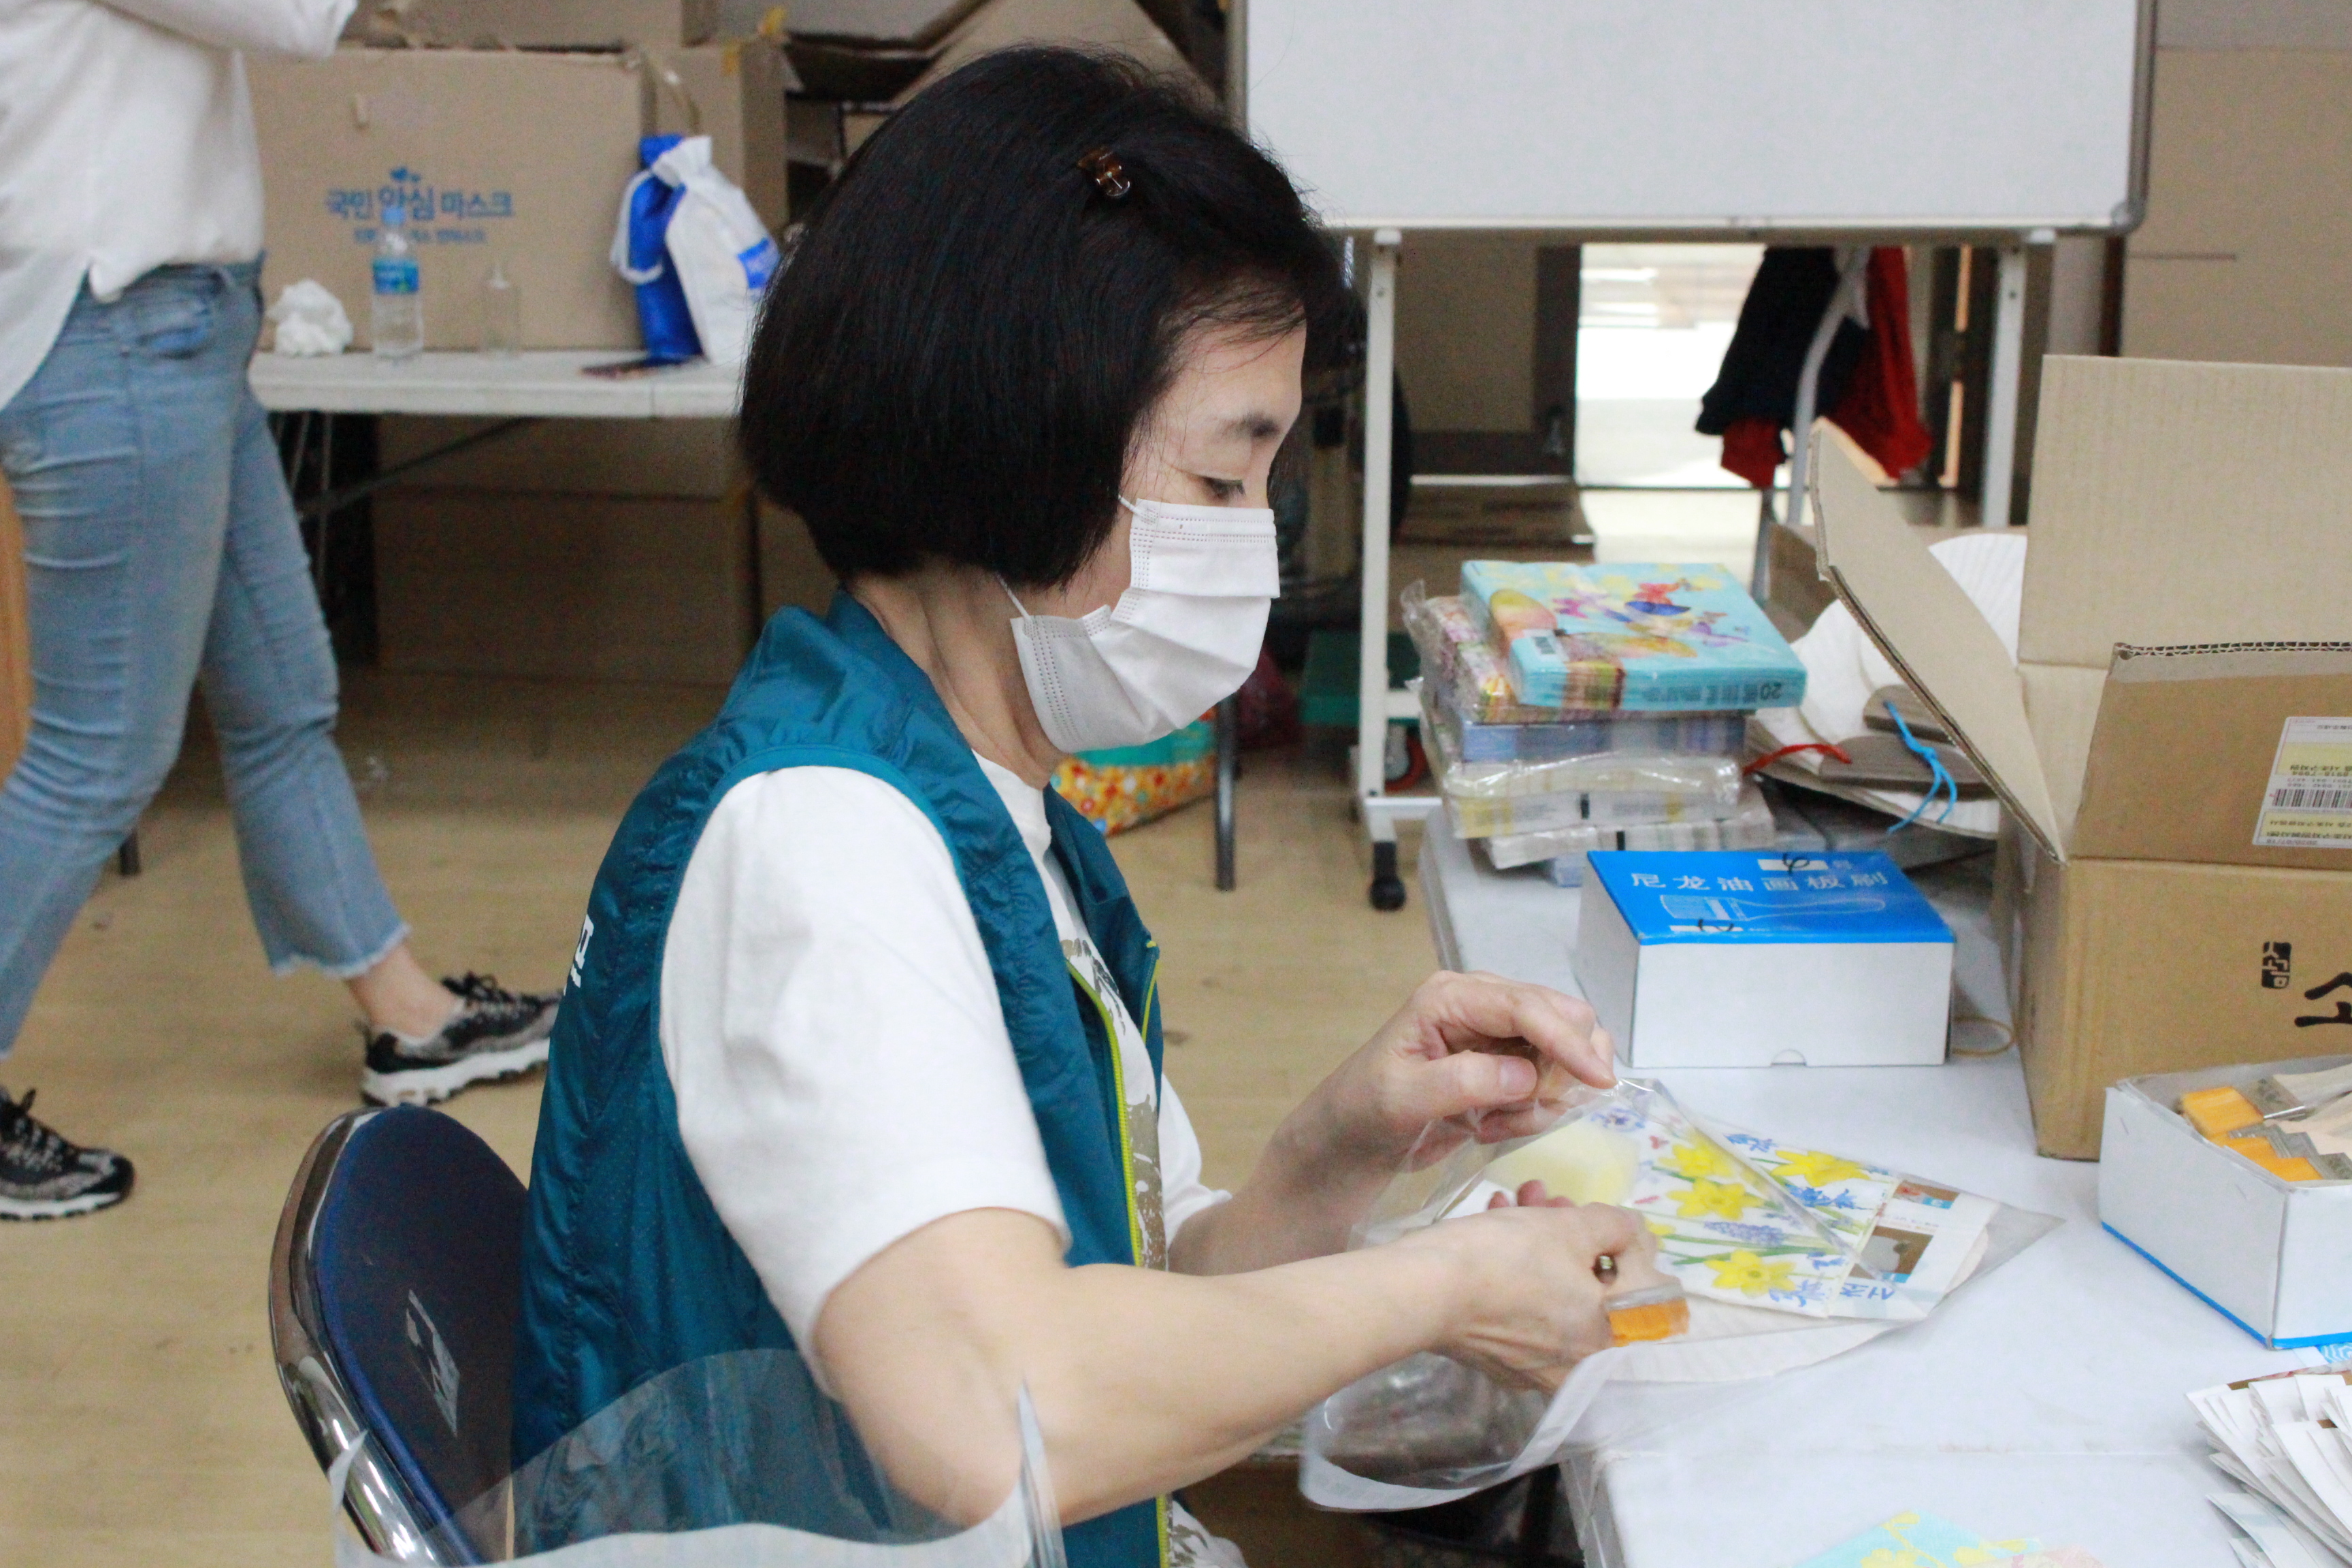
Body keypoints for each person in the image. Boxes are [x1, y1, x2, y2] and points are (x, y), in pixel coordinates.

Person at [513, 47, 1655, 1567]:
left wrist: (1343, 1145)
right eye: (1224, 482)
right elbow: (1004, 1418)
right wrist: (1451, 1290)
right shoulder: (823, 848)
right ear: (1016, 444)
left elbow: (1135, 1305)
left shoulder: (984, 802)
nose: (1257, 549)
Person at [0, 0, 559, 1221]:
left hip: (178, 326)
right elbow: (297, 16)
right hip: (115, 338)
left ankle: (409, 1016)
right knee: (99, 754)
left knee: (279, 694)